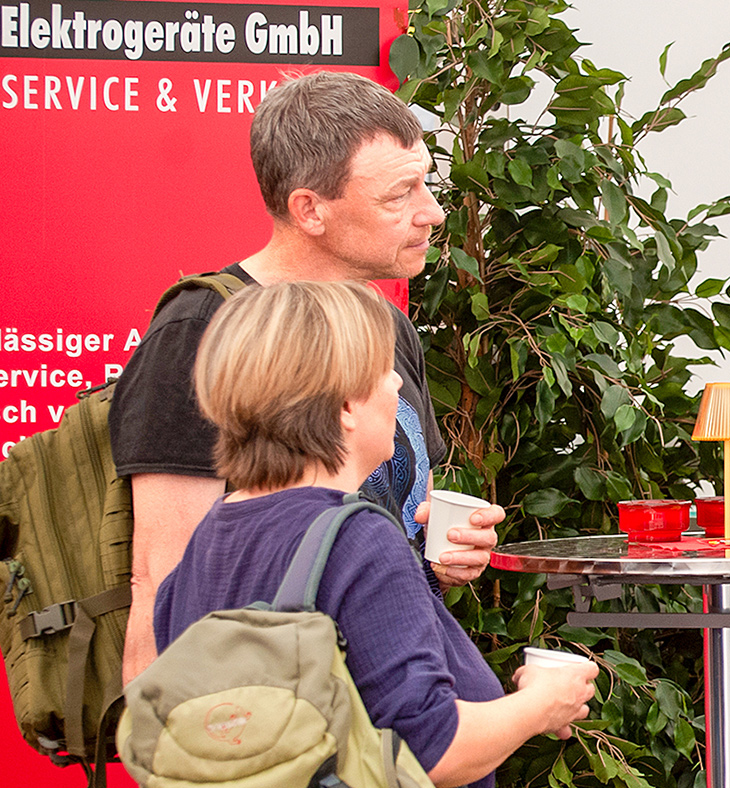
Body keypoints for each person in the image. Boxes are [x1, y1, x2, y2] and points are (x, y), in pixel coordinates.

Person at [109, 70, 504, 690]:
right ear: (310, 209)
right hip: (274, 723)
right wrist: (165, 745)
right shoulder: (202, 329)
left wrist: (442, 554)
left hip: (398, 712)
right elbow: (163, 580)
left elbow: (402, 517)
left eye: (425, 182)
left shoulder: (388, 325)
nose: (431, 213)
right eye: (398, 195)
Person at [154, 279, 597, 788]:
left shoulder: (211, 536)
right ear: (345, 406)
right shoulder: (360, 538)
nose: (397, 383)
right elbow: (434, 750)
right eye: (383, 370)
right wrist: (544, 703)